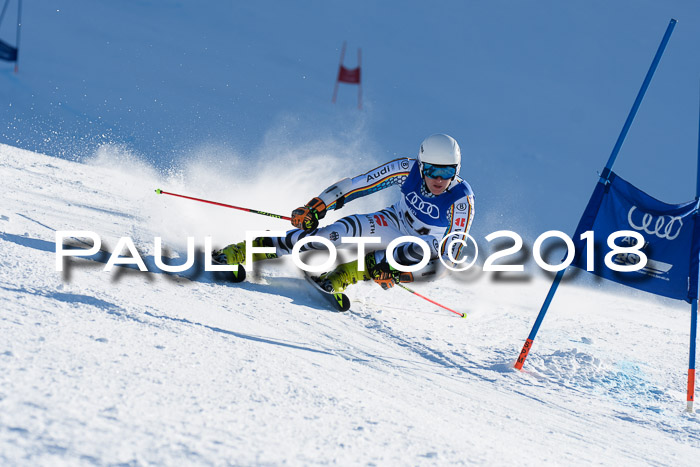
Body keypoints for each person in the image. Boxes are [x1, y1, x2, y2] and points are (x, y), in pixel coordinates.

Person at [213, 133, 475, 293]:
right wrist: (318, 205)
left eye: (447, 172)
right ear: (421, 164)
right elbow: (357, 185)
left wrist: (398, 273)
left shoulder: (461, 201)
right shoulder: (407, 169)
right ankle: (243, 251)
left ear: (457, 169)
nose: (438, 179)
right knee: (328, 237)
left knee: (423, 256)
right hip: (392, 221)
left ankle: (347, 274)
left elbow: (449, 260)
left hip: (421, 245)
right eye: (431, 170)